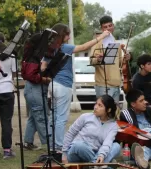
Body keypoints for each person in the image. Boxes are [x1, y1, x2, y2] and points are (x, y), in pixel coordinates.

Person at [41, 23, 110, 151]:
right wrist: (101, 37)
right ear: (62, 35)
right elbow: (83, 47)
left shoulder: (49, 48)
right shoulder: (64, 47)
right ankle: (59, 146)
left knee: (53, 117)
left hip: (52, 84)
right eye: (67, 34)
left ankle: (51, 145)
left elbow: (43, 66)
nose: (69, 36)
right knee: (61, 118)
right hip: (63, 84)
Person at [62, 95, 120, 164]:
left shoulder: (113, 126)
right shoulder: (85, 117)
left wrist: (101, 155)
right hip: (76, 151)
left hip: (95, 152)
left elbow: (107, 143)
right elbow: (70, 133)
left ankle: (95, 165)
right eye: (96, 104)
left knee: (116, 146)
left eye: (100, 105)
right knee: (79, 145)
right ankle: (102, 164)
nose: (95, 107)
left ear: (108, 110)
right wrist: (64, 154)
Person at [90, 15, 130, 103]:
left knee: (114, 114)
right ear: (102, 29)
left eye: (110, 26)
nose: (108, 28)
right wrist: (98, 59)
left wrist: (126, 58)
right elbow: (91, 61)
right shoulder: (97, 42)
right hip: (103, 85)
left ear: (113, 26)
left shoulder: (116, 43)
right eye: (105, 27)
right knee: (103, 113)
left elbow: (120, 64)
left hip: (116, 85)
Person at [0, 32, 16, 159]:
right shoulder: (11, 54)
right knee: (6, 121)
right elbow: (14, 72)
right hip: (6, 90)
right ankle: (7, 150)